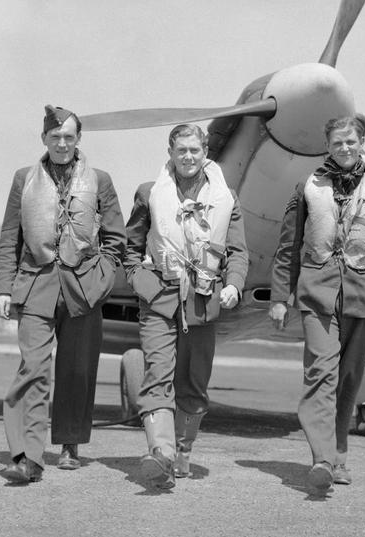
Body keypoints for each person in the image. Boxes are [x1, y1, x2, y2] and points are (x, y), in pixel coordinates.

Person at [268, 114, 365, 492]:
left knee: (348, 378)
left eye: (351, 141)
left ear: (362, 141)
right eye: (336, 143)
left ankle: (339, 457)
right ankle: (322, 460)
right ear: (326, 146)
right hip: (317, 294)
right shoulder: (307, 186)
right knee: (320, 373)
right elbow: (288, 247)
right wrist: (281, 297)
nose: (344, 148)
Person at [0, 105, 126, 484]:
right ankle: (27, 455)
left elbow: (116, 240)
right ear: (44, 139)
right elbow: (9, 238)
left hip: (84, 288)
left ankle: (69, 443)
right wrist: (4, 287)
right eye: (55, 137)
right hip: (35, 284)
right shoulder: (24, 178)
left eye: (69, 136)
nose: (62, 143)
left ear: (78, 139)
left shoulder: (100, 179)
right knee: (33, 368)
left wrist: (101, 279)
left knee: (77, 369)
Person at [124, 124, 248, 489]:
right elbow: (130, 252)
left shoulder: (229, 198)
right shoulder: (148, 193)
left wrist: (234, 286)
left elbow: (238, 253)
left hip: (204, 301)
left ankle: (182, 451)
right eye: (182, 151)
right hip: (159, 299)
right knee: (157, 374)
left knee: (193, 383)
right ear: (170, 152)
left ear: (205, 150)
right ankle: (159, 453)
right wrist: (143, 285)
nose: (188, 157)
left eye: (195, 150)